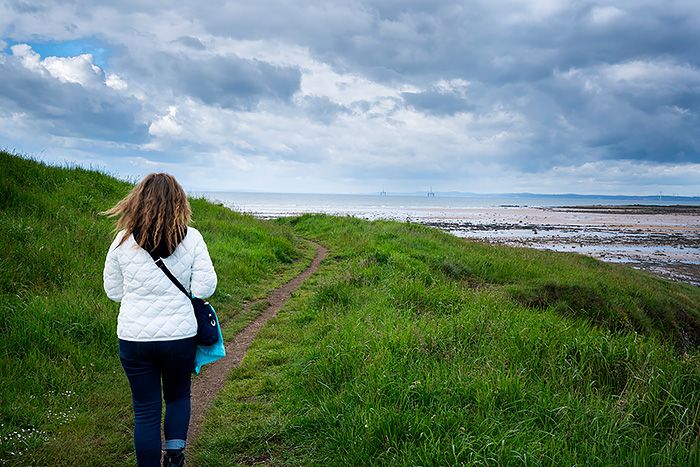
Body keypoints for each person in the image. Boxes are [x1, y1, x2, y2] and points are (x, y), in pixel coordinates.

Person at [102, 173, 217, 467]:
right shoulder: (192, 238)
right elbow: (205, 288)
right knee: (178, 395)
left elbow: (113, 291)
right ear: (179, 201)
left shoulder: (122, 240)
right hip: (179, 337)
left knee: (145, 411)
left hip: (134, 338)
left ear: (137, 201)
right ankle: (175, 457)